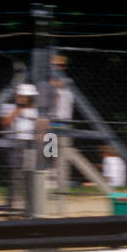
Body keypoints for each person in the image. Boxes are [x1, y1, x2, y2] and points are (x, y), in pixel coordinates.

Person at [0, 83, 42, 208]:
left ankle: (30, 205)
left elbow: (42, 128)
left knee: (29, 175)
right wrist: (18, 109)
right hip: (15, 144)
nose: (24, 99)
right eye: (22, 96)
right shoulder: (8, 107)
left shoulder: (36, 110)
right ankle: (10, 204)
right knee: (14, 176)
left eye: (27, 97)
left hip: (31, 144)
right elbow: (5, 123)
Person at [42, 54, 75, 194]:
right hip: (52, 123)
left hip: (65, 124)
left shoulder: (68, 83)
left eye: (61, 65)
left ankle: (61, 187)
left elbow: (61, 84)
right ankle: (50, 186)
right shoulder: (46, 84)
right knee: (50, 155)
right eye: (55, 65)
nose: (58, 68)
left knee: (63, 157)